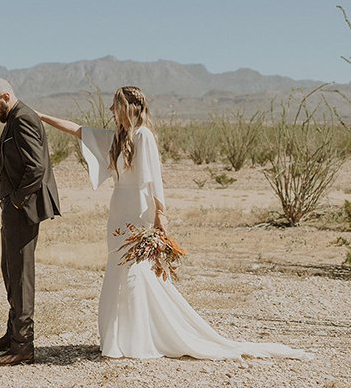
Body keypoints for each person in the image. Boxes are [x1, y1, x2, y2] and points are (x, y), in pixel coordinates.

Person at [38, 85, 312, 360]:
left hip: (138, 210)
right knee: (117, 270)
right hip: (118, 210)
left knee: (136, 272)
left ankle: (141, 337)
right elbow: (77, 130)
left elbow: (154, 178)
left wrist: (160, 214)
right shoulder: (118, 139)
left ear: (128, 107)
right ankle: (119, 337)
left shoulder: (143, 136)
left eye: (115, 105)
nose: (110, 110)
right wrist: (40, 116)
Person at [0, 78, 61, 366]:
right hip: (14, 209)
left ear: (5, 96)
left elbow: (36, 167)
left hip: (23, 210)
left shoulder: (23, 118)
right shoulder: (13, 119)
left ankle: (23, 346)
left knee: (21, 275)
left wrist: (15, 199)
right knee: (10, 269)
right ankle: (13, 334)